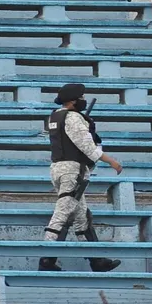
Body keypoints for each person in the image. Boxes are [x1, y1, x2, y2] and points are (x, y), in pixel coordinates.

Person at [40, 83, 124, 273]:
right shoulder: (73, 118)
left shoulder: (55, 116)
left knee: (81, 216)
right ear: (72, 101)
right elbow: (87, 147)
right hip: (73, 171)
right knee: (62, 214)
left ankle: (97, 261)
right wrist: (112, 162)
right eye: (81, 97)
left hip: (58, 168)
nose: (83, 100)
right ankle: (46, 259)